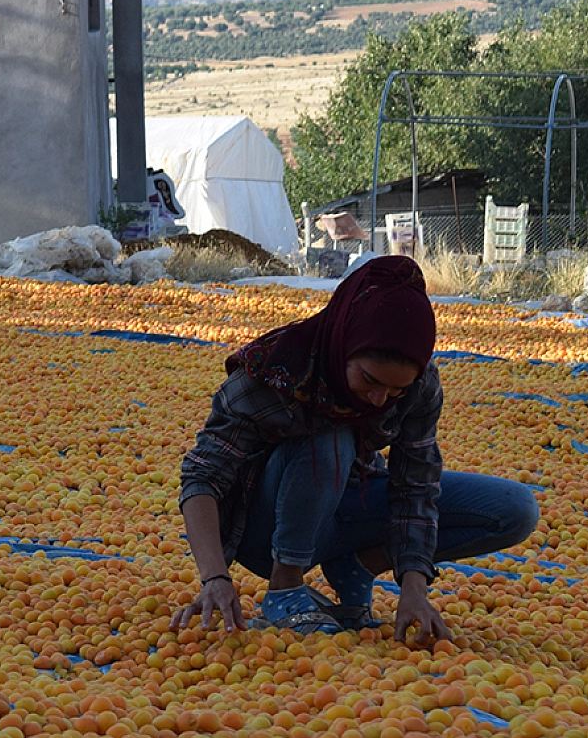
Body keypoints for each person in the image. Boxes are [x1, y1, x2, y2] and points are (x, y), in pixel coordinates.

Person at [171, 256, 539, 644]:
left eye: (396, 390)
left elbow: (416, 484)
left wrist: (413, 587)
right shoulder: (273, 374)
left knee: (513, 509)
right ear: (345, 341)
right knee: (331, 432)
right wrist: (214, 577)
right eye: (369, 380)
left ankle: (357, 565)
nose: (380, 398)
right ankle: (285, 588)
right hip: (265, 527)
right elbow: (201, 477)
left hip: (346, 508)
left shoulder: (420, 386)